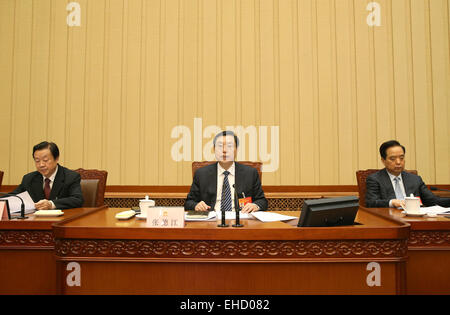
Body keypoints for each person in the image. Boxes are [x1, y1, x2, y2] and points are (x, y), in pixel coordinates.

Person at [184, 131, 267, 213]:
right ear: (214, 149)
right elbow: (188, 203)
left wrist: (255, 205)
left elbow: (262, 201)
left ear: (236, 149)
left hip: (241, 220)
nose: (224, 150)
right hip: (211, 221)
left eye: (229, 146)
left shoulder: (250, 173)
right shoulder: (201, 174)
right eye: (220, 146)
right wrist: (196, 205)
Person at [365, 140, 450, 208]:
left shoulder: (415, 179)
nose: (398, 162)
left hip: (415, 220)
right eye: (392, 159)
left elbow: (432, 200)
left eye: (401, 158)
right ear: (383, 161)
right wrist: (392, 202)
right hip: (390, 220)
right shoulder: (375, 179)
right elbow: (371, 202)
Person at [10, 141, 84, 210]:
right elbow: (13, 196)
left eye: (45, 160)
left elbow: (77, 199)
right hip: (35, 220)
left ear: (56, 158)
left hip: (62, 220)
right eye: (37, 161)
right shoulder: (29, 179)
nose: (41, 165)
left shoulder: (71, 177)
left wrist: (51, 204)